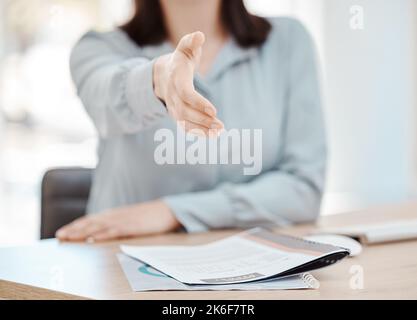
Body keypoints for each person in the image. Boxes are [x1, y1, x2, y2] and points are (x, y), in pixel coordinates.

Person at [56, 0, 326, 242]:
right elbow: (106, 96)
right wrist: (158, 79)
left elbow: (303, 188)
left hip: (253, 271)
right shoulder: (98, 48)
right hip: (120, 271)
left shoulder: (289, 42)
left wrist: (172, 211)